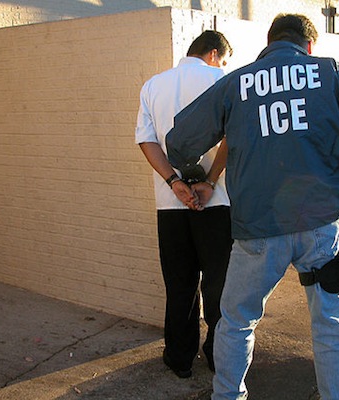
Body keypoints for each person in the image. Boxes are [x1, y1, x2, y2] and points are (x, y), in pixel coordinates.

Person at [166, 14, 339, 399]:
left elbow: (178, 143)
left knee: (236, 322)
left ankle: (228, 396)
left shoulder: (237, 83)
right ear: (308, 47)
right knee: (330, 326)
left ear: (269, 42)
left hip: (259, 230)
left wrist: (201, 170)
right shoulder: (332, 74)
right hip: (322, 226)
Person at [135, 30, 234, 379]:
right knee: (219, 283)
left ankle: (179, 357)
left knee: (180, 284)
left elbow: (146, 140)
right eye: (223, 58)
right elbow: (233, 137)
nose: (222, 64)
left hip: (170, 204)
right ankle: (219, 357)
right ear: (213, 53)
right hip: (217, 202)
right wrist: (208, 182)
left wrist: (174, 183)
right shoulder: (225, 80)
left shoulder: (153, 85)